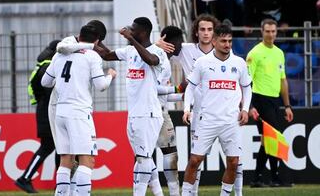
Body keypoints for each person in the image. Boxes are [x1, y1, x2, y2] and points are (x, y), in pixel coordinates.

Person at [41, 25, 116, 196]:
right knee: (87, 159)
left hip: (60, 112)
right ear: (97, 41)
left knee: (65, 159)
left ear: (79, 36)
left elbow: (45, 82)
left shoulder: (60, 54)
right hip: (79, 112)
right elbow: (101, 86)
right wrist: (110, 75)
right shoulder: (92, 56)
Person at [95, 17, 166, 196]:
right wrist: (95, 40)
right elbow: (107, 54)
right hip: (134, 114)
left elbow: (150, 60)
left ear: (142, 32)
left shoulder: (158, 51)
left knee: (143, 159)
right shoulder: (129, 51)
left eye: (133, 30)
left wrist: (132, 39)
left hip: (149, 114)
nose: (129, 31)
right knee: (144, 158)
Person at [181, 24, 252, 196]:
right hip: (207, 120)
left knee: (234, 162)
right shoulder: (202, 63)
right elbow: (190, 88)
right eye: (223, 41)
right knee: (194, 161)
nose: (227, 45)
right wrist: (186, 109)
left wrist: (245, 109)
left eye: (229, 41)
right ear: (214, 41)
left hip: (231, 121)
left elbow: (247, 87)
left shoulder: (239, 63)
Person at [247, 18, 294, 187]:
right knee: (273, 137)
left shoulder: (279, 53)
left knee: (267, 140)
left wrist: (287, 105)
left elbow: (283, 80)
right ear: (262, 32)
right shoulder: (254, 53)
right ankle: (274, 177)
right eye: (268, 31)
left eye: (273, 31)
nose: (271, 34)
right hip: (260, 99)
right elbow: (246, 82)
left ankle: (258, 178)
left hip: (275, 100)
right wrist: (250, 106)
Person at [15, 40, 61, 194]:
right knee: (50, 146)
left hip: (44, 111)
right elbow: (52, 93)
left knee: (55, 147)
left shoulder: (43, 64)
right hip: (48, 112)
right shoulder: (49, 67)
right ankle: (25, 178)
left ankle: (58, 183)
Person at [155, 25, 184, 196]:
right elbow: (153, 89)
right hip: (155, 113)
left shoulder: (161, 58)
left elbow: (164, 94)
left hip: (157, 109)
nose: (181, 45)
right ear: (171, 41)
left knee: (149, 156)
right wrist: (179, 89)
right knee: (169, 154)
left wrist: (184, 96)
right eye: (180, 41)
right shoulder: (162, 61)